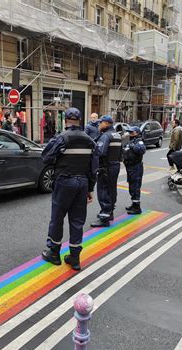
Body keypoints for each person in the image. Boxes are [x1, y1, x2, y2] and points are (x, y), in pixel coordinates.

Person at [41, 107, 97, 271]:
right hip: (83, 183)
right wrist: (90, 188)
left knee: (57, 217)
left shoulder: (61, 138)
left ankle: (54, 253)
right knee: (77, 220)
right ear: (79, 120)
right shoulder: (89, 140)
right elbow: (94, 167)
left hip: (65, 182)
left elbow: (46, 158)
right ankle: (74, 258)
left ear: (65, 120)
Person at [91, 115, 122, 228]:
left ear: (107, 123)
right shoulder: (117, 135)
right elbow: (120, 154)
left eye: (101, 123)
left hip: (106, 167)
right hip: (115, 166)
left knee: (103, 191)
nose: (99, 125)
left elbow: (100, 152)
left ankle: (104, 218)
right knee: (111, 189)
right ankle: (110, 212)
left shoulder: (106, 136)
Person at [122, 126, 146, 215]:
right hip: (130, 167)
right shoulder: (131, 141)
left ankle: (137, 208)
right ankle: (134, 204)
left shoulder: (138, 141)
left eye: (131, 132)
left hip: (136, 167)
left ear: (136, 133)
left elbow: (142, 150)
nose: (129, 133)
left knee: (135, 187)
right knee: (132, 186)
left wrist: (132, 146)